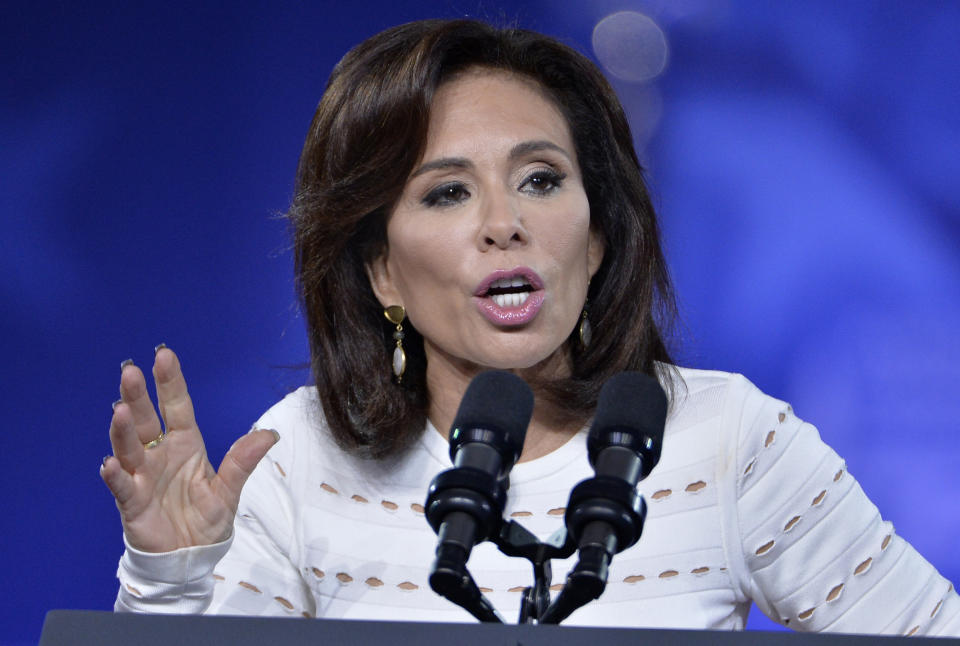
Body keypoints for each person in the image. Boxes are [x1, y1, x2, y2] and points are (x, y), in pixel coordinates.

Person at [100, 19, 960, 634]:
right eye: (447, 192)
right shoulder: (301, 457)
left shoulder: (730, 437)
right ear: (381, 270)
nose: (504, 222)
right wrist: (171, 579)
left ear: (595, 240)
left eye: (542, 180)